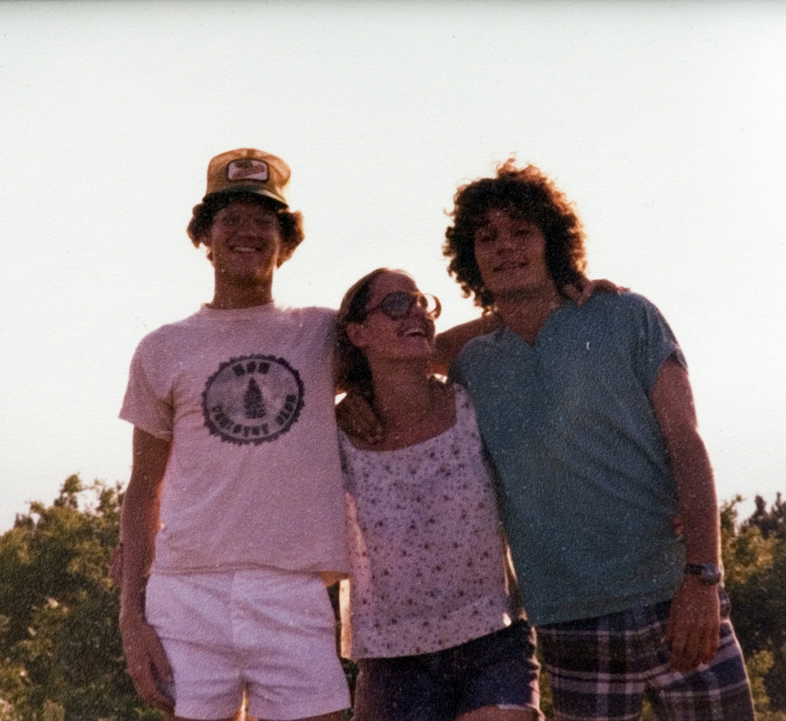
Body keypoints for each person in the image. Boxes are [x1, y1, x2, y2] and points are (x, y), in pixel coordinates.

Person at [442, 160, 756, 721]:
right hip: (568, 617)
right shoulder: (471, 362)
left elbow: (687, 443)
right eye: (486, 237)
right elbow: (372, 363)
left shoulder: (627, 316)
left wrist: (704, 579)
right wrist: (507, 314)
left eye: (520, 231)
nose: (504, 247)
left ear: (552, 240)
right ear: (470, 257)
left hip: (676, 596)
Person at [117, 148, 351, 721]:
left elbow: (419, 350)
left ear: (286, 241)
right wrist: (131, 617)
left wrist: (537, 304)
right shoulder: (162, 348)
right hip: (186, 591)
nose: (246, 232)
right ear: (206, 236)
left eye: (263, 220)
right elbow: (142, 488)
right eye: (230, 219)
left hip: (295, 590)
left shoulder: (324, 334)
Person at [335, 268, 542, 721]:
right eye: (395, 305)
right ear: (357, 332)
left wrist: (571, 291)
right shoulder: (338, 434)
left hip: (493, 636)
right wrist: (350, 395)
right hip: (393, 657)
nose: (416, 312)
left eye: (421, 302)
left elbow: (517, 320)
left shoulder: (472, 403)